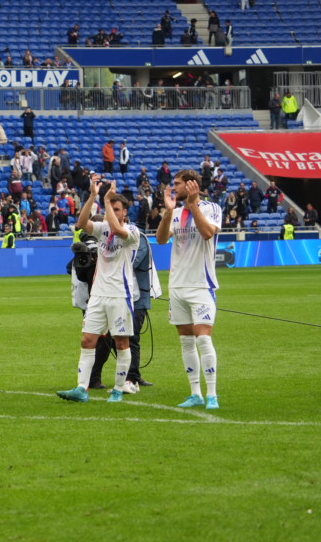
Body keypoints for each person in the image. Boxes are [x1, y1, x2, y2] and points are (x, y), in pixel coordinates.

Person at [58, 181, 139, 403]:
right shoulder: (102, 228)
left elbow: (119, 230)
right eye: (110, 209)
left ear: (125, 212)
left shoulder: (132, 231)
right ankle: (81, 389)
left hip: (119, 295)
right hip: (98, 295)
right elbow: (82, 223)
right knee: (87, 340)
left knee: (122, 343)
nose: (113, 213)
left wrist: (105, 202)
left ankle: (118, 389)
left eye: (117, 209)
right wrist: (93, 196)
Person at [156, 169, 222, 410]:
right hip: (177, 286)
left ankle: (212, 394)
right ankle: (196, 393)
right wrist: (168, 211)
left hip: (201, 285)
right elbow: (162, 239)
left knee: (204, 339)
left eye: (178, 184)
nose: (174, 187)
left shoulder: (211, 208)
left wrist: (193, 205)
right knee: (186, 342)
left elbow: (207, 234)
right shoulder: (176, 212)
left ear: (192, 185)